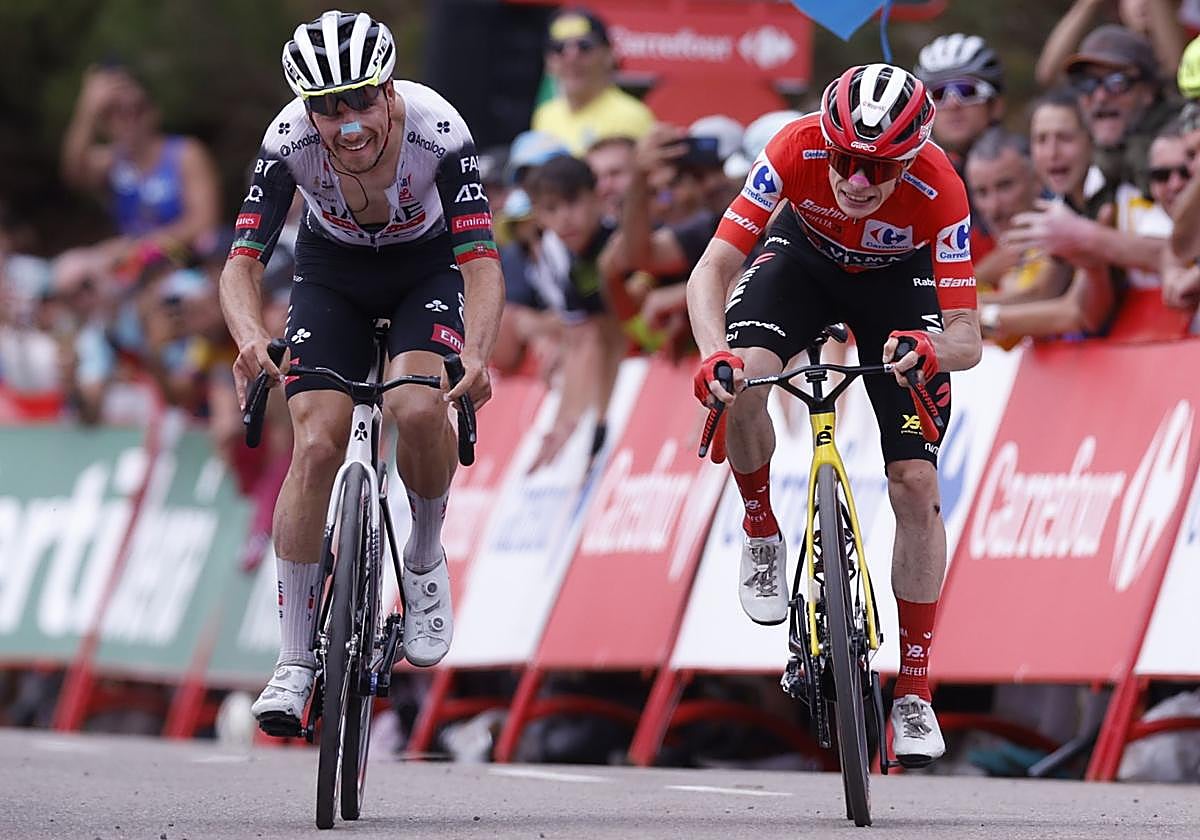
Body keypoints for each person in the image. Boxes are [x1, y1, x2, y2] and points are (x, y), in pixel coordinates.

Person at [687, 64, 983, 767]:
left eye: (875, 168)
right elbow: (712, 268)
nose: (855, 180)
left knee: (914, 482)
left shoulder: (940, 187)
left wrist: (929, 347)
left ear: (908, 159)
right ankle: (760, 526)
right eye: (845, 159)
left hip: (897, 287)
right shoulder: (794, 147)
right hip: (803, 265)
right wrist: (712, 354)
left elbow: (968, 338)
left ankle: (913, 689)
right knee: (746, 379)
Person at [218, 11, 503, 736]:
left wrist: (477, 350)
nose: (346, 124)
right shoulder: (287, 141)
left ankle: (425, 551)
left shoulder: (439, 129)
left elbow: (480, 263)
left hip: (424, 267)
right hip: (332, 272)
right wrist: (250, 336)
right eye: (327, 108)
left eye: (360, 102)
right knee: (315, 442)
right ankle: (292, 661)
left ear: (389, 92)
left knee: (415, 407)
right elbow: (242, 264)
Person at [61, 64, 221, 264]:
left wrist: (140, 247)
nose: (128, 120)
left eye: (137, 110)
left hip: (184, 259)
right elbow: (74, 171)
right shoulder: (112, 162)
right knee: (71, 267)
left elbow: (204, 222)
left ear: (154, 110)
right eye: (115, 113)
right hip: (133, 267)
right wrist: (87, 109)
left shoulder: (186, 153)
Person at [913, 33, 1007, 264]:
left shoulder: (1035, 163)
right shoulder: (910, 178)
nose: (953, 103)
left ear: (995, 105)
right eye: (938, 93)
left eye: (967, 90)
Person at [531, 7, 655, 156]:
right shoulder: (545, 115)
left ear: (609, 55)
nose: (571, 57)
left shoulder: (633, 116)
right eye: (558, 48)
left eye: (584, 46)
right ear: (548, 62)